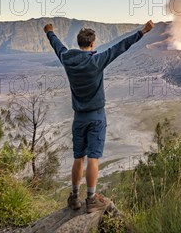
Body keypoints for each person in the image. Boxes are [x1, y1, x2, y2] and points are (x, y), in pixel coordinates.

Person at [43, 20, 154, 213]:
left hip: (78, 117)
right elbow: (120, 47)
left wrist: (49, 32)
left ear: (79, 43)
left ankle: (74, 196)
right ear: (92, 44)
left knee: (79, 157)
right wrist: (142, 32)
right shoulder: (97, 61)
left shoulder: (67, 58)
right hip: (96, 117)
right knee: (93, 158)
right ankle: (91, 198)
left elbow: (57, 46)